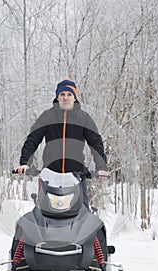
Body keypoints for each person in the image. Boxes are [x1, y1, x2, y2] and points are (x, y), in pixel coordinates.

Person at [15, 78, 108, 208]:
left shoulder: (83, 118)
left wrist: (101, 166)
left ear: (75, 98)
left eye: (69, 94)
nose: (65, 98)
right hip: (50, 176)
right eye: (62, 94)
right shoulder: (48, 116)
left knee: (84, 214)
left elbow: (95, 143)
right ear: (57, 97)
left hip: (75, 176)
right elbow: (33, 139)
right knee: (41, 215)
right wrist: (25, 163)